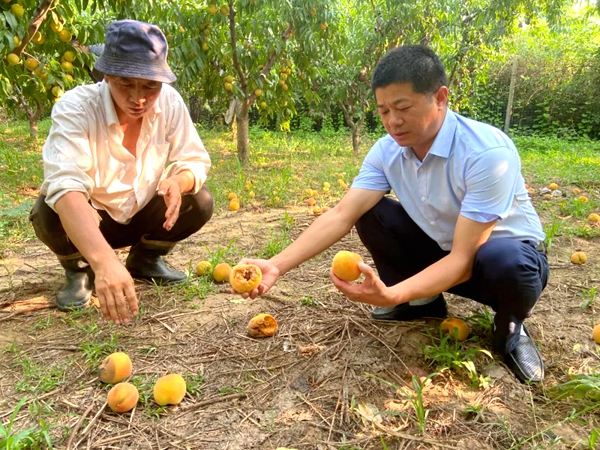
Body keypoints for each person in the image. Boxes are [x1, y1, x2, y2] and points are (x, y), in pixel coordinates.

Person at [237, 45, 549, 384]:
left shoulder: (487, 153)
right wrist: (277, 264)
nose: (392, 122)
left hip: (495, 261)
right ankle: (424, 302)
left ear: (440, 97)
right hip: (444, 251)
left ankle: (510, 327)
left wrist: (392, 293)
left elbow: (463, 258)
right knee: (372, 212)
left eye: (402, 107)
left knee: (508, 261)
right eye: (383, 110)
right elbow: (342, 213)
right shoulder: (388, 151)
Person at [29, 20, 213, 325]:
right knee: (49, 208)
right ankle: (79, 270)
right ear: (107, 75)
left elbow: (195, 159)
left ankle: (144, 259)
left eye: (150, 86)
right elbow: (66, 185)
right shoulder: (76, 107)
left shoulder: (170, 103)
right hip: (91, 221)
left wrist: (177, 182)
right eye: (126, 84)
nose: (139, 98)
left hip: (141, 212)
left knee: (200, 201)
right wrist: (104, 262)